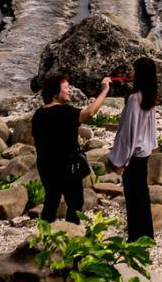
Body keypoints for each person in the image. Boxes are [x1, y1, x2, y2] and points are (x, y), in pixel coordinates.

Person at [32, 73, 112, 223]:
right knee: (75, 203)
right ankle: (71, 236)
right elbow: (89, 112)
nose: (69, 91)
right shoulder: (65, 111)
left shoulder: (38, 114)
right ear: (56, 93)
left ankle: (44, 237)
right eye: (66, 88)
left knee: (51, 201)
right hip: (67, 166)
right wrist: (105, 90)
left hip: (46, 166)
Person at [108, 56, 160, 241]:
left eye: (134, 71)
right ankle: (147, 235)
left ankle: (135, 237)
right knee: (142, 195)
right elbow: (150, 127)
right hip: (144, 152)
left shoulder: (134, 99)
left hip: (133, 155)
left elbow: (127, 133)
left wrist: (119, 160)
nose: (132, 73)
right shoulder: (150, 96)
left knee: (132, 196)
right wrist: (153, 145)